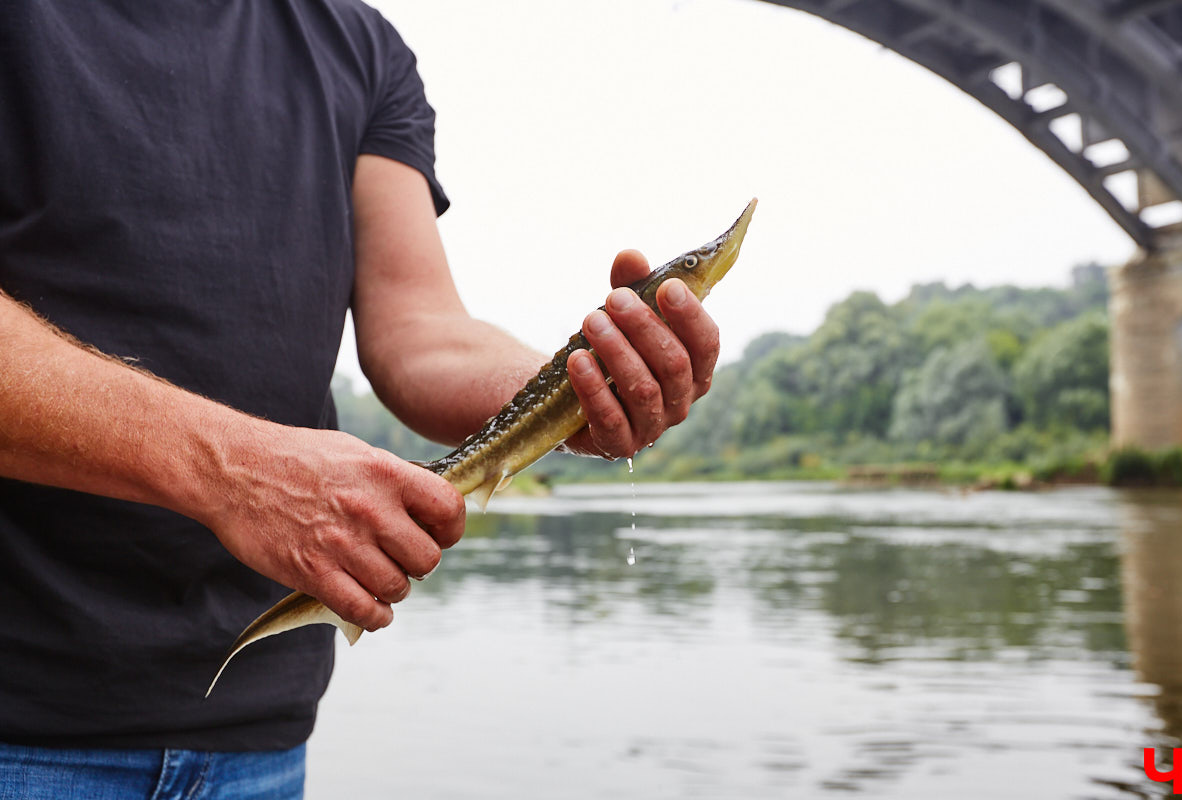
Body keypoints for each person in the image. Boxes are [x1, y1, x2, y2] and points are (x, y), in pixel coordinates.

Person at [0, 2, 720, 798]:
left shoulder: (358, 46)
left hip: (256, 741)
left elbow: (419, 331)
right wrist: (230, 469)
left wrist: (576, 392)